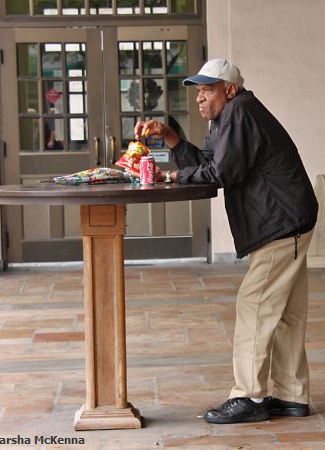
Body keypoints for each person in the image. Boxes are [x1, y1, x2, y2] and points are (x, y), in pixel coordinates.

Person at [134, 58, 318, 424]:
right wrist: (171, 138)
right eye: (198, 92)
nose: (200, 99)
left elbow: (221, 172)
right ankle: (291, 395)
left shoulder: (240, 111)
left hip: (281, 224)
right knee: (285, 313)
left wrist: (174, 178)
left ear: (229, 90)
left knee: (255, 306)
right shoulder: (228, 117)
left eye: (207, 90)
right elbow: (207, 159)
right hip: (291, 219)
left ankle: (249, 397)